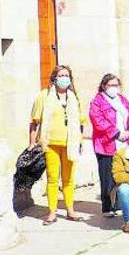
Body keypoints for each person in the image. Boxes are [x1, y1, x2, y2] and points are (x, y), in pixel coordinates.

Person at [29, 65, 87, 225]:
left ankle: (70, 210)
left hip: (70, 143)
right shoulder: (44, 96)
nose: (64, 78)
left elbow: (81, 122)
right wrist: (32, 143)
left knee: (68, 179)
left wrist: (80, 140)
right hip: (51, 144)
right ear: (54, 78)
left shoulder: (74, 97)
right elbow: (34, 121)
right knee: (52, 178)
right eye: (61, 75)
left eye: (67, 75)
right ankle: (52, 212)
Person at [89, 73, 129, 217]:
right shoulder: (97, 101)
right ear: (104, 86)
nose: (114, 88)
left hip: (125, 142)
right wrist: (116, 133)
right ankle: (107, 207)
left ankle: (122, 203)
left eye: (116, 85)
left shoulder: (122, 100)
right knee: (107, 176)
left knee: (125, 174)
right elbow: (98, 121)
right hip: (106, 144)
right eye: (111, 85)